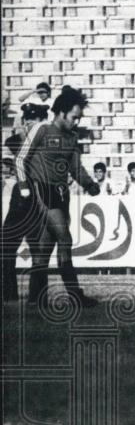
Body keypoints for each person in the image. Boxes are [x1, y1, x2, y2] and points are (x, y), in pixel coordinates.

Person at [15, 86, 102, 307]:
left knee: (45, 248)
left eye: (79, 119)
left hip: (61, 195)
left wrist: (90, 184)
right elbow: (20, 160)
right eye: (74, 117)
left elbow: (76, 167)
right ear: (61, 112)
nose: (77, 123)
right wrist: (25, 188)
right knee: (65, 239)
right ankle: (75, 295)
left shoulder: (72, 138)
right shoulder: (42, 130)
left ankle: (36, 298)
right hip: (41, 190)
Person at [2, 105, 48, 302]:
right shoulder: (28, 139)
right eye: (26, 119)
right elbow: (10, 142)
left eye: (32, 119)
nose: (28, 123)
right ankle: (11, 293)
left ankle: (36, 295)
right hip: (22, 197)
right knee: (7, 247)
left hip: (35, 196)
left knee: (39, 249)